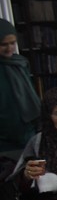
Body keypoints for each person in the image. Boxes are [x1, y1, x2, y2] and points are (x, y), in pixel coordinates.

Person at [0, 17, 41, 154]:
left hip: (27, 130)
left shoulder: (20, 63)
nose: (9, 48)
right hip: (4, 137)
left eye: (12, 43)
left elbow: (29, 95)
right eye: (3, 44)